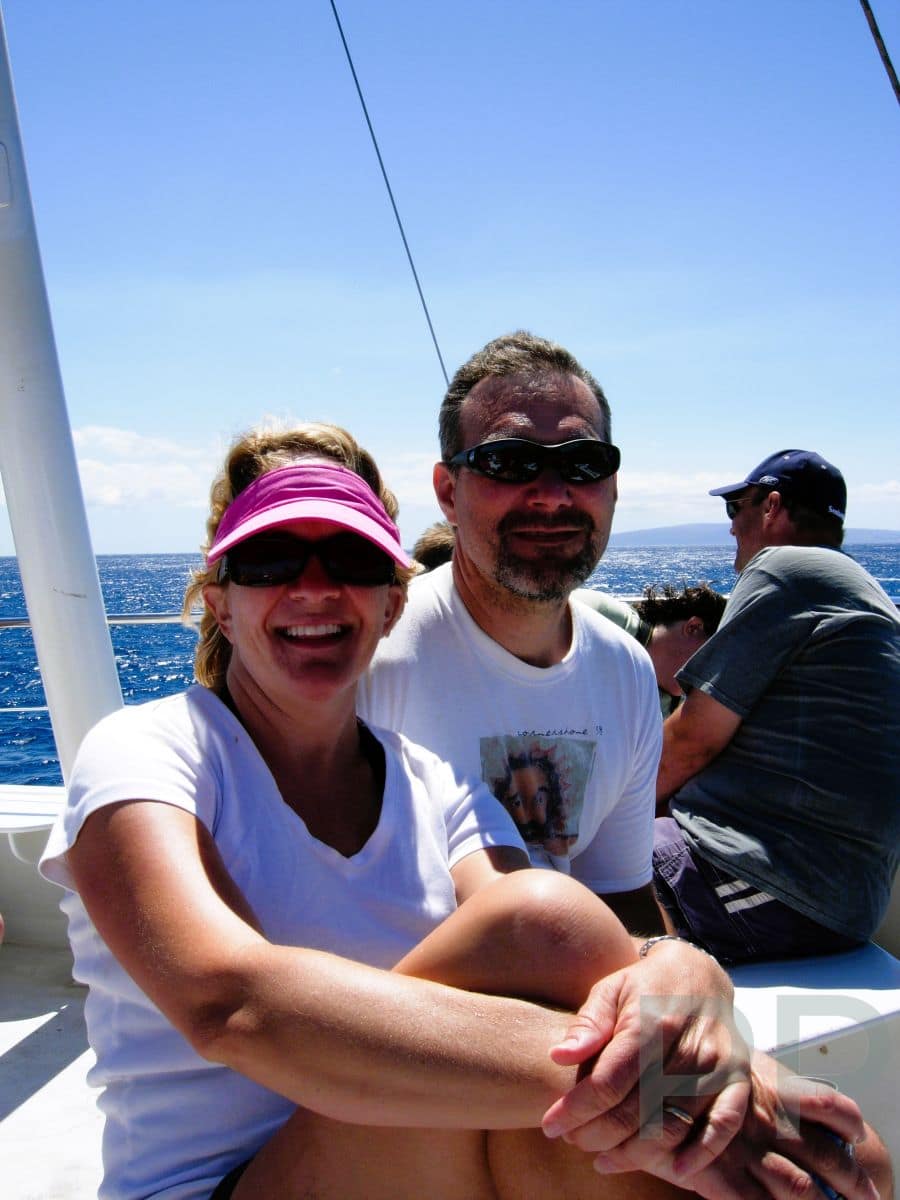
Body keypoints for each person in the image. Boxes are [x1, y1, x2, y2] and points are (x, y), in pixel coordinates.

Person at [35, 423, 888, 1200]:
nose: (315, 589)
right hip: (226, 1187)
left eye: (354, 561)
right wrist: (654, 1090)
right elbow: (230, 1004)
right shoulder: (149, 753)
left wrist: (684, 969)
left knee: (546, 916)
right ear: (219, 599)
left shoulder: (431, 783)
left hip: (409, 1160)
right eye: (267, 562)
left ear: (393, 601)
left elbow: (556, 937)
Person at [356, 336, 892, 1191]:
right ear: (449, 489)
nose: (551, 491)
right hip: (423, 1041)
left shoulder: (621, 671)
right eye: (509, 460)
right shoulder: (374, 660)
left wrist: (677, 974)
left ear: (610, 486)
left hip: (571, 1021)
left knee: (850, 1160)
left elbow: (623, 896)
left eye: (581, 461)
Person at [654, 449, 900, 965]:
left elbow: (693, 739)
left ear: (771, 506)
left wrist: (600, 807)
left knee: (553, 870)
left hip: (765, 885)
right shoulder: (863, 590)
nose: (730, 529)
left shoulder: (784, 570)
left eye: (734, 509)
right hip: (844, 899)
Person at [574, 585, 726, 716]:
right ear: (693, 628)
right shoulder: (603, 616)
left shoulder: (672, 711)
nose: (711, 678)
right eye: (713, 662)